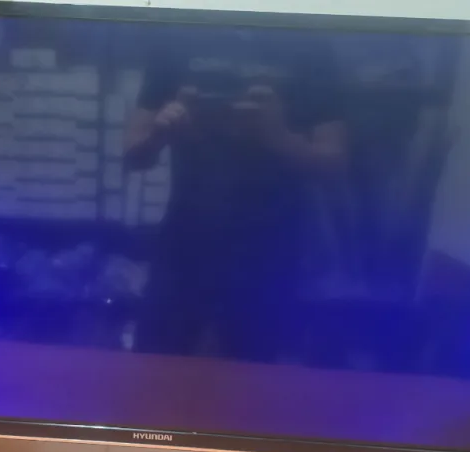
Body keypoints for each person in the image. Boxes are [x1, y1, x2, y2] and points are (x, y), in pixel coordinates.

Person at [124, 28, 347, 362]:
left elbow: (334, 164)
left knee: (256, 380)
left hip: (271, 251)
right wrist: (161, 132)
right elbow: (132, 154)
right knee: (153, 370)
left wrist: (277, 136)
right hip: (186, 241)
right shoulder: (177, 35)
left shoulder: (309, 43)